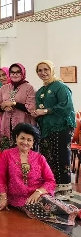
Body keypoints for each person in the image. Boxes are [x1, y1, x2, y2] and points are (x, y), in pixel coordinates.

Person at [0, 123, 79, 225]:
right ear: (16, 138)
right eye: (22, 138)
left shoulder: (39, 158)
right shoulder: (7, 154)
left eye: (29, 140)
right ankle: (72, 213)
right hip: (17, 198)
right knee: (36, 208)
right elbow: (0, 178)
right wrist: (3, 198)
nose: (25, 142)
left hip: (37, 194)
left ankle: (75, 213)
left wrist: (38, 192)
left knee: (49, 204)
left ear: (33, 142)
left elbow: (50, 180)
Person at [34, 61, 76, 199]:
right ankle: (53, 185)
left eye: (46, 69)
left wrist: (45, 111)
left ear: (51, 70)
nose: (43, 72)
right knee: (49, 157)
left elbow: (66, 106)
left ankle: (64, 189)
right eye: (39, 70)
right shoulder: (41, 90)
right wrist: (37, 114)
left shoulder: (60, 86)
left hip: (62, 127)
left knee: (62, 156)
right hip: (46, 128)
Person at [0, 63, 36, 151]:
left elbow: (31, 108)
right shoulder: (4, 88)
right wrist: (3, 106)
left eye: (18, 72)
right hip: (6, 126)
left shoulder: (29, 88)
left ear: (22, 73)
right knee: (7, 154)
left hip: (23, 124)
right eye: (12, 72)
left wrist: (13, 104)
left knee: (21, 155)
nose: (15, 74)